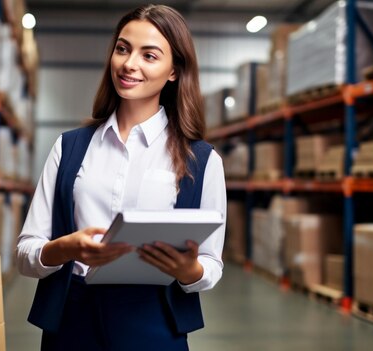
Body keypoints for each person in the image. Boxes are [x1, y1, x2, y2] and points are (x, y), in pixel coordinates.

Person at [16, 4, 227, 351]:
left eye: (150, 55)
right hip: (72, 319)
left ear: (174, 71)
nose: (130, 64)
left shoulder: (202, 160)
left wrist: (187, 270)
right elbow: (26, 253)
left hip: (155, 321)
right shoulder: (69, 147)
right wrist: (65, 247)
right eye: (123, 49)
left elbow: (211, 264)